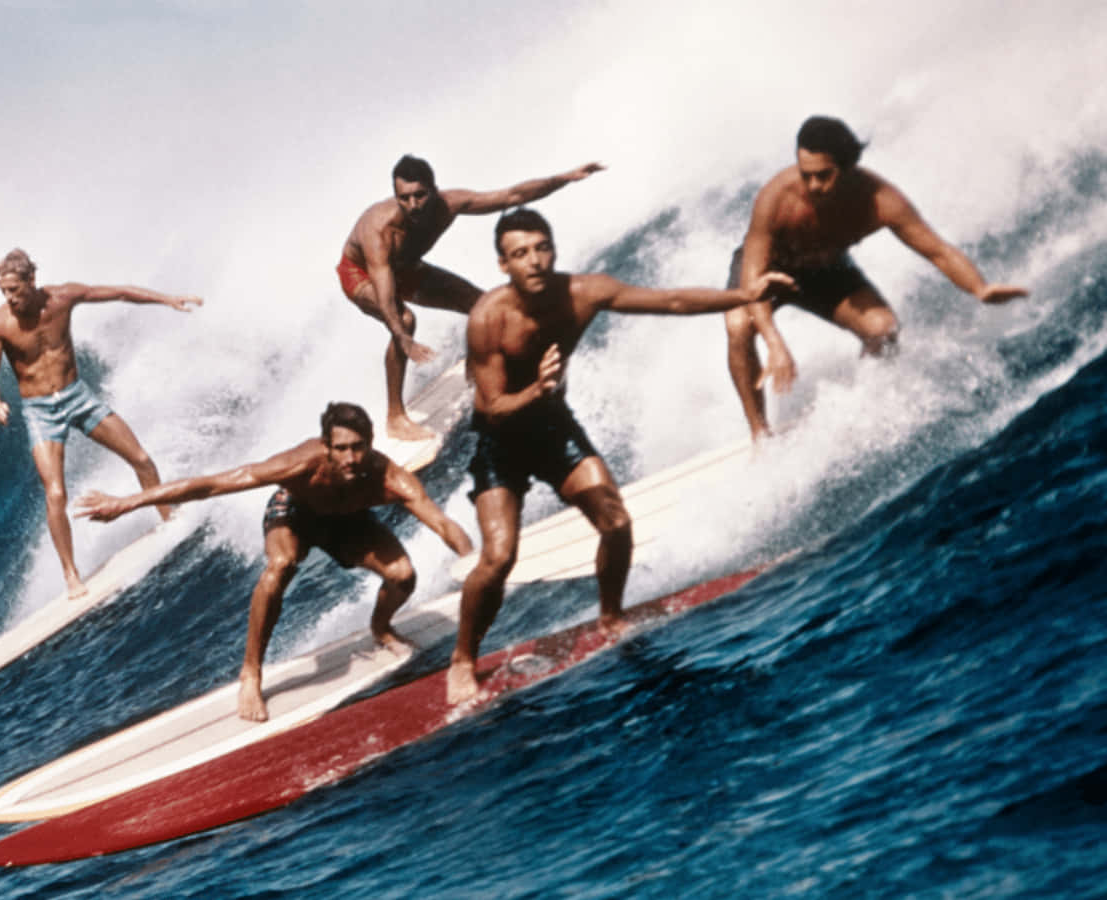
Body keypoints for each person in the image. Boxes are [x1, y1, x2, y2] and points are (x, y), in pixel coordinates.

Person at [447, 208, 794, 704]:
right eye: (520, 254)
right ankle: (462, 660)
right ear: (503, 264)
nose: (534, 261)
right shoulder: (488, 318)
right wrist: (538, 389)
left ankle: (610, 616)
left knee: (615, 521)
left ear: (554, 249)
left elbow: (670, 300)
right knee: (499, 557)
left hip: (552, 429)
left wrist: (745, 294)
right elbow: (493, 406)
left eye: (541, 247)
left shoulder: (585, 292)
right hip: (500, 443)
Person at [76, 401, 474, 721]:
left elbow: (443, 523)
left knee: (403, 576)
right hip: (294, 514)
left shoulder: (391, 479)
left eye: (358, 448)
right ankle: (251, 673)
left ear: (371, 443)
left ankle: (381, 626)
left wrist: (476, 563)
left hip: (347, 522)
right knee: (280, 566)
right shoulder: (302, 464)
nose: (350, 458)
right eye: (341, 449)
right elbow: (213, 484)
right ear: (326, 446)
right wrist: (126, 503)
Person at [724, 115, 1030, 439]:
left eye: (824, 176)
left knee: (883, 329)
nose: (813, 185)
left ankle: (867, 407)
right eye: (806, 175)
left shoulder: (880, 200)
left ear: (848, 166)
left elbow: (938, 250)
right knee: (739, 326)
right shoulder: (776, 198)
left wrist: (979, 289)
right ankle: (760, 433)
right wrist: (774, 342)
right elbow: (751, 282)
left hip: (824, 271)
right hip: (766, 273)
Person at [0, 248, 202, 600]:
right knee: (55, 493)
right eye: (3, 291)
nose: (9, 299)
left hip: (77, 397)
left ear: (31, 281)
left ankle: (168, 521)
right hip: (39, 411)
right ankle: (71, 575)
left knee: (141, 459)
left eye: (14, 290)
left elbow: (118, 292)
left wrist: (167, 299)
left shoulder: (63, 298)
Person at [339, 154, 606, 441]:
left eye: (420, 195)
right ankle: (395, 417)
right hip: (361, 273)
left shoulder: (449, 204)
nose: (413, 205)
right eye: (404, 198)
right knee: (404, 319)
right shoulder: (381, 228)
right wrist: (404, 338)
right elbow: (384, 288)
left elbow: (511, 195)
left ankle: (476, 366)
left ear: (434, 189)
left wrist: (564, 178)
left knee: (481, 305)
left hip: (404, 268)